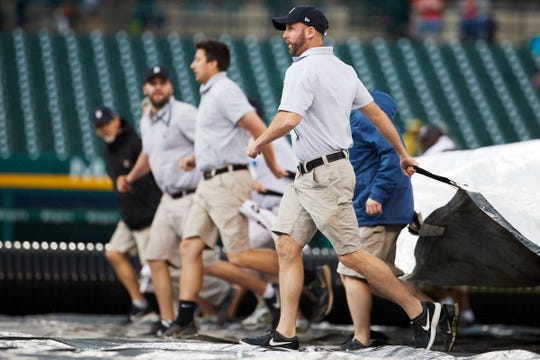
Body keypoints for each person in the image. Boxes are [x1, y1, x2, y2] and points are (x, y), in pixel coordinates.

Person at [240, 5, 451, 351]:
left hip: (325, 174)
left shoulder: (302, 70)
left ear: (310, 31)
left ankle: (422, 311)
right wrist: (402, 152)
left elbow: (290, 118)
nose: (285, 35)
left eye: (290, 28)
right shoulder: (343, 69)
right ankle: (286, 332)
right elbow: (378, 116)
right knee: (286, 245)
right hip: (309, 174)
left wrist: (259, 142)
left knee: (351, 255)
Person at [169, 40, 289, 338]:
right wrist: (195, 158)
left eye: (197, 59)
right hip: (209, 180)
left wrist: (273, 168)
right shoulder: (211, 94)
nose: (192, 65)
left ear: (213, 63)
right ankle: (185, 319)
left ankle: (307, 275)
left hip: (227, 180)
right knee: (190, 247)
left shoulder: (225, 91)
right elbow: (221, 138)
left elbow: (259, 128)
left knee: (238, 256)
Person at [337, 90, 458, 352]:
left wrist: (377, 194)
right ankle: (438, 314)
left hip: (377, 208)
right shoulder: (363, 115)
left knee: (353, 271)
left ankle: (361, 337)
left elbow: (393, 156)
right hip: (377, 206)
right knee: (382, 279)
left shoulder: (364, 116)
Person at [116, 65, 231, 336]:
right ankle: (170, 320)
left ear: (171, 87)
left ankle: (260, 290)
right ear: (145, 89)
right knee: (155, 258)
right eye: (152, 83)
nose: (157, 87)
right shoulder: (147, 119)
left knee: (208, 261)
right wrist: (131, 176)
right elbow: (148, 153)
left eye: (162, 82)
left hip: (192, 196)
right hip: (168, 199)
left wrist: (195, 158)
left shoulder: (185, 114)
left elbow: (209, 142)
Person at [93, 105, 161, 323]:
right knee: (113, 252)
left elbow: (151, 177)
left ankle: (179, 315)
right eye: (100, 126)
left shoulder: (134, 143)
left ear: (117, 120)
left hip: (147, 216)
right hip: (129, 217)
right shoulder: (109, 148)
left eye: (107, 123)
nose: (105, 129)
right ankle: (140, 304)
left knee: (158, 270)